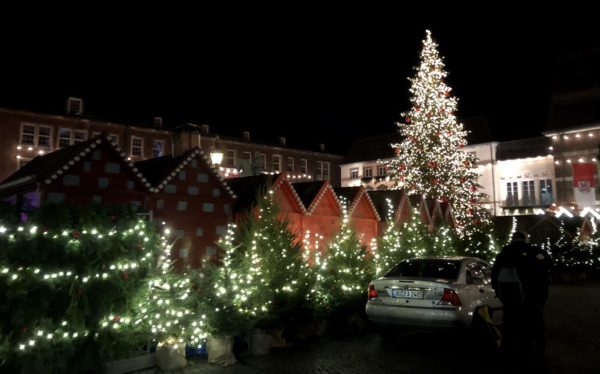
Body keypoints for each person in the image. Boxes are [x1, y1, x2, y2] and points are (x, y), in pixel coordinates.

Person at [491, 231, 549, 362]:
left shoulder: (503, 254)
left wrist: (499, 293)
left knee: (510, 324)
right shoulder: (534, 252)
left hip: (510, 297)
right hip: (532, 297)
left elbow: (494, 275)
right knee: (533, 323)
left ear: (512, 239)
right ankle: (533, 351)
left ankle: (509, 352)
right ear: (525, 239)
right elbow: (544, 269)